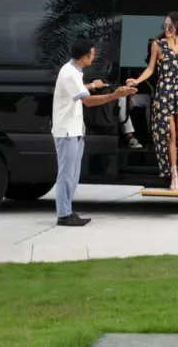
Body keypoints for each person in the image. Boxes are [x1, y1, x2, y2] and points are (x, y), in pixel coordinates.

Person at [52, 39, 136, 227]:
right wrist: (116, 95)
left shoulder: (74, 71)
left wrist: (92, 86)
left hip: (75, 130)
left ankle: (67, 211)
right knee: (66, 175)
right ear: (84, 57)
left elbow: (78, 91)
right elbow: (88, 102)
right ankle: (63, 215)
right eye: (92, 53)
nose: (94, 55)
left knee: (73, 175)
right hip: (66, 132)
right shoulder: (69, 74)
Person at [126, 12, 178, 191]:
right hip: (164, 92)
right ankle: (174, 174)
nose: (167, 29)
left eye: (170, 26)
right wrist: (137, 80)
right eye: (165, 26)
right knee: (171, 133)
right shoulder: (158, 45)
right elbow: (150, 69)